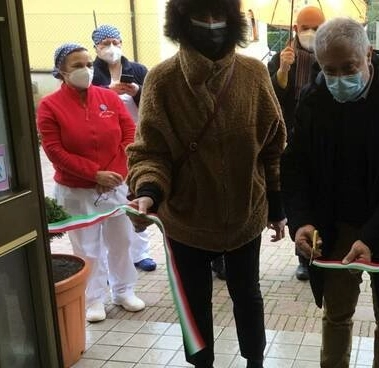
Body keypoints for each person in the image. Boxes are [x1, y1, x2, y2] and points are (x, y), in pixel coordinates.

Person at [125, 0, 287, 367]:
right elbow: (150, 151)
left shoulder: (253, 75)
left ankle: (255, 361)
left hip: (246, 213)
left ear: (232, 20)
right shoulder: (163, 80)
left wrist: (277, 208)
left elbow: (274, 147)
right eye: (202, 15)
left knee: (248, 294)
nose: (212, 25)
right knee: (193, 302)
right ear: (181, 20)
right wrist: (148, 193)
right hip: (185, 219)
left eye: (220, 16)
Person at [281, 17, 379, 368]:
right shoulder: (313, 98)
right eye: (328, 69)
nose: (338, 79)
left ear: (368, 54)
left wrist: (373, 235)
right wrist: (302, 221)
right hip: (335, 226)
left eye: (348, 67)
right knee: (336, 313)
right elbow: (295, 166)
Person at [37, 43, 146, 323]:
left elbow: (129, 133)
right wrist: (94, 174)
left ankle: (123, 290)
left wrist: (117, 173)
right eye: (77, 66)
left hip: (115, 185)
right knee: (87, 248)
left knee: (122, 240)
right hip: (76, 190)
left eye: (87, 63)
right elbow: (54, 151)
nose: (85, 70)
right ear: (61, 71)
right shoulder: (49, 106)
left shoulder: (107, 98)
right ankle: (94, 298)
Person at [90, 24, 156, 272]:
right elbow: (86, 102)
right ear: (96, 47)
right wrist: (107, 92)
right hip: (106, 145)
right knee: (109, 200)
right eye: (105, 43)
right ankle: (109, 262)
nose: (111, 47)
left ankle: (141, 253)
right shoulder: (93, 74)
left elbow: (152, 102)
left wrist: (137, 91)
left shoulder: (137, 70)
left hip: (137, 140)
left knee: (137, 195)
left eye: (115, 42)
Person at [267, 5, 325, 281]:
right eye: (305, 28)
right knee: (297, 195)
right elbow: (272, 100)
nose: (311, 33)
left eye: (316, 27)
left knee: (320, 194)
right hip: (290, 138)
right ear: (295, 29)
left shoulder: (329, 55)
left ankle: (319, 250)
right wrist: (283, 70)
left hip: (322, 137)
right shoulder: (281, 59)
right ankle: (303, 255)